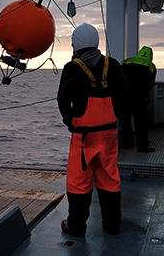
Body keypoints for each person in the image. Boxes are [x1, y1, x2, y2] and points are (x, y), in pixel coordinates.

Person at [57, 23, 128, 237]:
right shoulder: (113, 65)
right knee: (109, 178)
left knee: (79, 181)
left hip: (83, 137)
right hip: (108, 135)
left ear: (75, 44)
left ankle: (76, 225)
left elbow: (62, 100)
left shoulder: (72, 68)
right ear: (96, 42)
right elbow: (124, 99)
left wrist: (69, 122)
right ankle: (112, 224)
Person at [119, 46, 157, 153]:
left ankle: (126, 143)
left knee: (125, 120)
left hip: (123, 96)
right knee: (140, 122)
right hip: (138, 98)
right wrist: (144, 94)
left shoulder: (127, 61)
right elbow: (150, 84)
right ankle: (142, 146)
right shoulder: (150, 66)